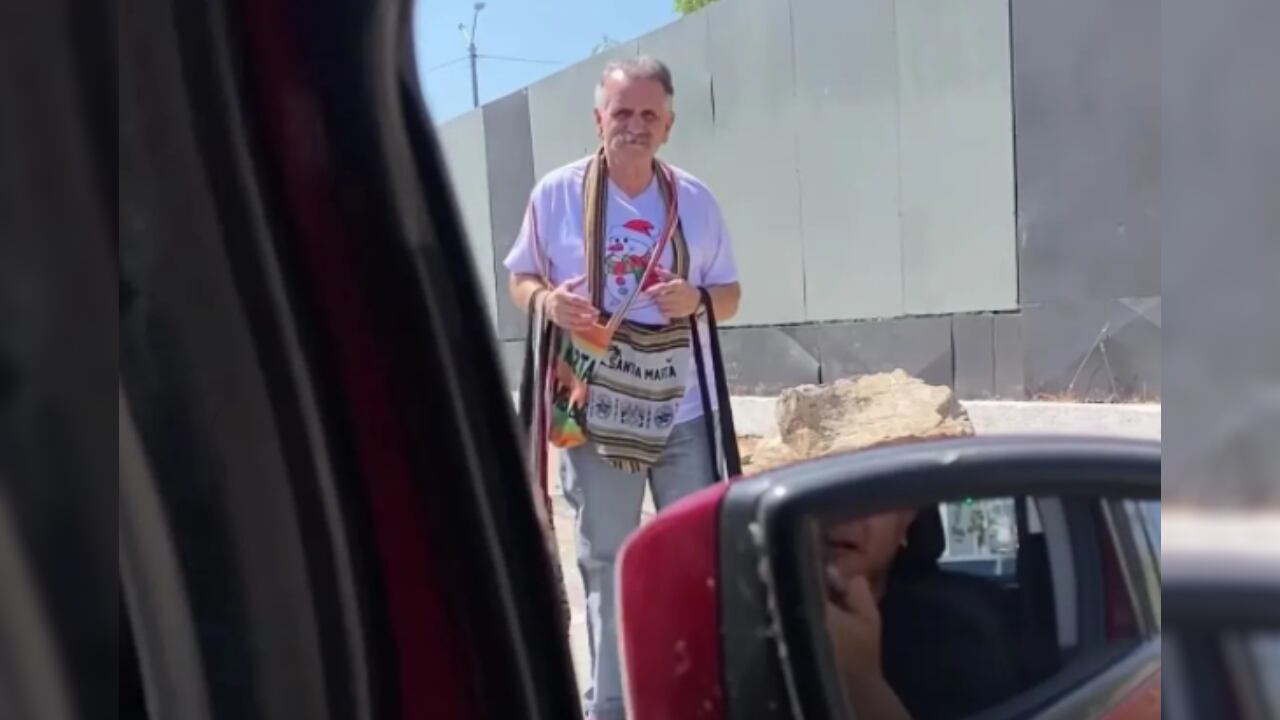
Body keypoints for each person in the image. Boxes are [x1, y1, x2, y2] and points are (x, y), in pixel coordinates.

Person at [504, 56, 741, 720]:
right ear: (598, 119)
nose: (633, 126)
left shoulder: (694, 199)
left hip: (683, 410)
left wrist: (696, 298)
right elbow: (520, 279)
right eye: (621, 112)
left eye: (647, 115)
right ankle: (608, 708)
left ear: (667, 125)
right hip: (588, 401)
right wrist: (548, 303)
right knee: (605, 561)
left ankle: (691, 697)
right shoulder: (556, 193)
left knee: (694, 559)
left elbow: (730, 297)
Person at [821, 437, 1023, 720]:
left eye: (874, 494)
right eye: (826, 493)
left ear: (905, 520)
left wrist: (861, 680)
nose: (846, 514)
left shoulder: (958, 638)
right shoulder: (757, 608)